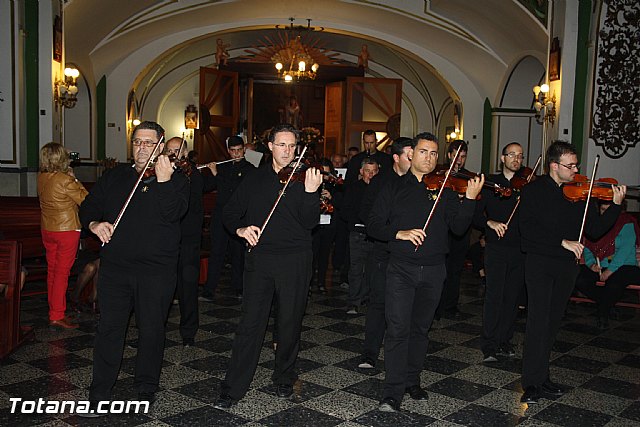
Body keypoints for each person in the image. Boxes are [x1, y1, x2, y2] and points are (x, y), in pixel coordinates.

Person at [368, 133, 483, 412]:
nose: (429, 158)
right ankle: (392, 392)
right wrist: (400, 233)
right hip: (401, 269)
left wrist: (468, 199)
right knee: (397, 329)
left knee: (420, 329)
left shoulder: (445, 189)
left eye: (433, 153)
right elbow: (373, 225)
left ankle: (412, 380)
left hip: (434, 270)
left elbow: (458, 229)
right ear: (411, 154)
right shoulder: (392, 188)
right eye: (423, 152)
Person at [79, 121, 188, 414]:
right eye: (137, 142)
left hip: (156, 271)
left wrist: (164, 182)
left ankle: (145, 386)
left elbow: (174, 213)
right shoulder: (115, 176)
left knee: (151, 330)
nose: (141, 148)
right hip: (116, 267)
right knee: (109, 329)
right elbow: (88, 206)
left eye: (148, 143)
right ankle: (100, 389)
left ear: (160, 147)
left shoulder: (175, 179)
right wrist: (94, 223)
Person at [214, 123, 322, 409]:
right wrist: (240, 230)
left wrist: (312, 193)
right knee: (251, 323)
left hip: (296, 260)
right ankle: (233, 386)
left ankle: (284, 378)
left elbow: (310, 223)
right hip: (260, 259)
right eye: (281, 145)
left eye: (291, 146)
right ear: (270, 147)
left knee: (289, 323)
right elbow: (230, 213)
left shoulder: (304, 179)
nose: (287, 151)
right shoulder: (254, 178)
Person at [518, 140, 626, 404]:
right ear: (554, 166)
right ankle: (531, 383)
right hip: (540, 264)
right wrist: (561, 242)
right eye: (571, 165)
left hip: (566, 267)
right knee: (538, 322)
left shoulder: (580, 194)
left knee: (553, 322)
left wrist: (615, 205)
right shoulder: (533, 191)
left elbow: (596, 229)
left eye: (576, 165)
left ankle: (543, 377)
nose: (576, 170)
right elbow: (527, 231)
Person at [357, 136, 413, 369]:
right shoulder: (380, 182)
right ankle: (369, 353)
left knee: (405, 307)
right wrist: (394, 229)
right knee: (378, 303)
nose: (415, 159)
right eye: (411, 155)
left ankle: (402, 355)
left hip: (409, 254)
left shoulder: (419, 182)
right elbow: (367, 215)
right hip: (382, 251)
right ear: (397, 158)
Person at [473, 142, 526, 362]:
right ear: (502, 158)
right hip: (496, 247)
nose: (516, 159)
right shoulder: (490, 183)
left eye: (520, 156)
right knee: (494, 296)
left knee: (512, 298)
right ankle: (489, 344)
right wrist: (490, 222)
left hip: (520, 248)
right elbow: (475, 215)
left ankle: (504, 340)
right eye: (512, 155)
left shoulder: (526, 186)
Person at [165, 137, 216, 347]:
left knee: (187, 288)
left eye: (177, 150)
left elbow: (192, 197)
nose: (173, 154)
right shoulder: (163, 171)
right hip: (166, 239)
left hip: (188, 239)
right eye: (169, 150)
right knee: (160, 288)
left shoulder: (192, 173)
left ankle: (188, 332)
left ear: (185, 152)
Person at [37, 142, 89, 329]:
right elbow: (86, 200)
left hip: (47, 229)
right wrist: (75, 180)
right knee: (61, 273)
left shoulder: (41, 177)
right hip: (66, 230)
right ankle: (57, 315)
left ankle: (54, 311)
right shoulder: (65, 179)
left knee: (52, 271)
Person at [201, 136, 255, 301]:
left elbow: (234, 189)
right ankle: (209, 290)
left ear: (244, 150)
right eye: (233, 151)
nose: (236, 153)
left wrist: (217, 174)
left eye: (239, 150)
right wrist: (208, 173)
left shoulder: (250, 168)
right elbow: (208, 187)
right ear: (228, 151)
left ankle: (239, 288)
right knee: (217, 252)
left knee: (238, 254)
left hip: (239, 218)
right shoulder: (222, 167)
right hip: (220, 216)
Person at [574, 200, 640, 329]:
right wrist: (591, 264)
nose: (605, 214)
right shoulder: (596, 224)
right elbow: (587, 247)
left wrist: (609, 271)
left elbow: (625, 250)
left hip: (625, 265)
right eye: (603, 210)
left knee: (615, 282)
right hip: (600, 264)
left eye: (609, 210)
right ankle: (607, 304)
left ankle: (602, 315)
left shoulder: (626, 222)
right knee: (579, 278)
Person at [437, 140, 472, 319]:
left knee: (456, 270)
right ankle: (436, 306)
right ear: (450, 155)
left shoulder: (468, 178)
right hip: (443, 229)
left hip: (461, 231)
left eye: (463, 157)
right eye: (457, 156)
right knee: (439, 269)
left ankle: (450, 306)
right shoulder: (440, 174)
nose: (459, 160)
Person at [342, 158, 379, 314]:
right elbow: (345, 210)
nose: (370, 175)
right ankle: (353, 302)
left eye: (373, 171)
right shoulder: (354, 188)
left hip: (376, 235)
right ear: (361, 172)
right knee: (356, 269)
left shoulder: (381, 189)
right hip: (358, 233)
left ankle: (368, 298)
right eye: (367, 171)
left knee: (373, 270)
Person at [312, 158, 339, 292]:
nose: (324, 177)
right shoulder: (311, 185)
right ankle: (310, 284)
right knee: (312, 255)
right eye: (322, 173)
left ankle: (321, 283)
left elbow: (342, 204)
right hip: (314, 226)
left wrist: (331, 197)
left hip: (329, 225)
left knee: (324, 255)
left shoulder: (335, 186)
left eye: (327, 174)